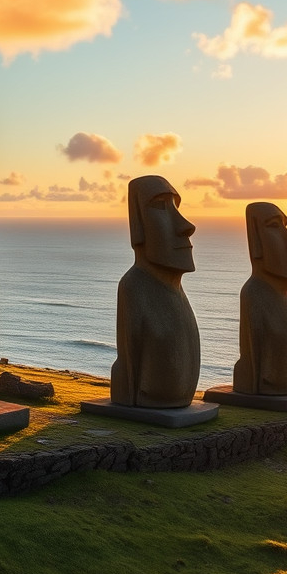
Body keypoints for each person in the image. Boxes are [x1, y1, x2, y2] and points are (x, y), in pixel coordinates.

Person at [110, 175, 200, 408]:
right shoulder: (134, 286)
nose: (187, 226)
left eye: (176, 207)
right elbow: (128, 371)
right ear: (138, 227)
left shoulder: (176, 293)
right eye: (160, 206)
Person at [232, 201, 287, 396]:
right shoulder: (254, 293)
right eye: (274, 226)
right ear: (256, 243)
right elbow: (252, 363)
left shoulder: (282, 297)